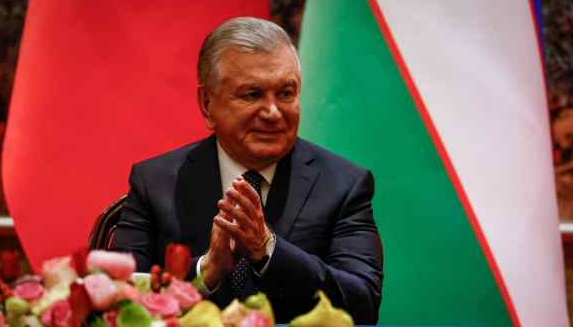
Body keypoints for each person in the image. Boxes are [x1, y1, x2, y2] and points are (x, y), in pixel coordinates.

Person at [112, 17, 383, 324]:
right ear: (206, 103)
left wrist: (268, 250)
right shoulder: (154, 182)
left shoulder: (344, 185)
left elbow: (362, 304)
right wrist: (206, 273)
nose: (272, 112)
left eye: (286, 93)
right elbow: (120, 301)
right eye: (252, 94)